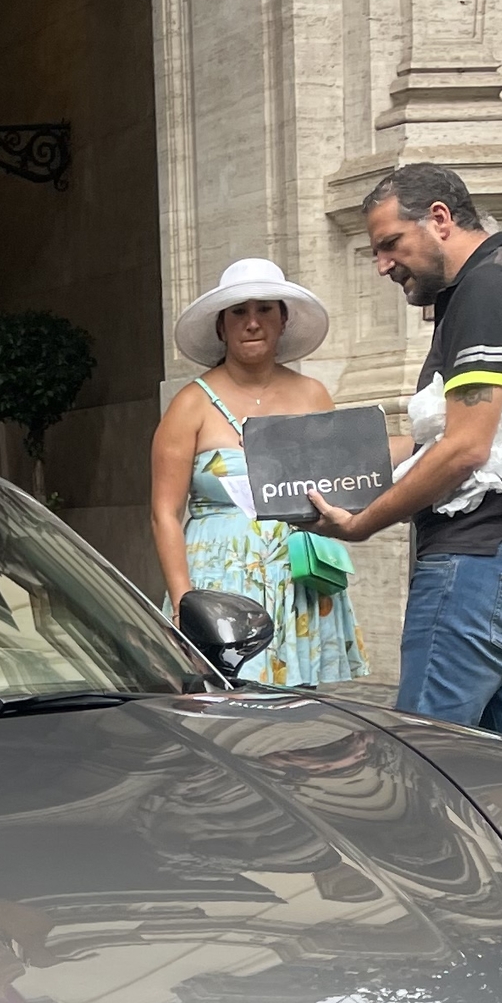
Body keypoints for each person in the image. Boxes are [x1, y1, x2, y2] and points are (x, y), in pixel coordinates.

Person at [307, 165, 502, 747]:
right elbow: (452, 440)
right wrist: (313, 462)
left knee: (428, 761)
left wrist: (361, 524)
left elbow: (464, 449)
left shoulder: (489, 288)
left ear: (438, 219)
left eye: (390, 245)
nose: (382, 264)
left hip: (483, 565)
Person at [151, 255, 365, 690]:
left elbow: (342, 482)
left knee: (303, 721)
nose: (252, 322)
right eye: (239, 312)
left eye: (265, 309)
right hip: (219, 583)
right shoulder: (191, 404)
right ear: (221, 325)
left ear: (283, 320)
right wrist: (182, 603)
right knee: (223, 710)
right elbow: (164, 514)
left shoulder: (312, 395)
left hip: (298, 580)